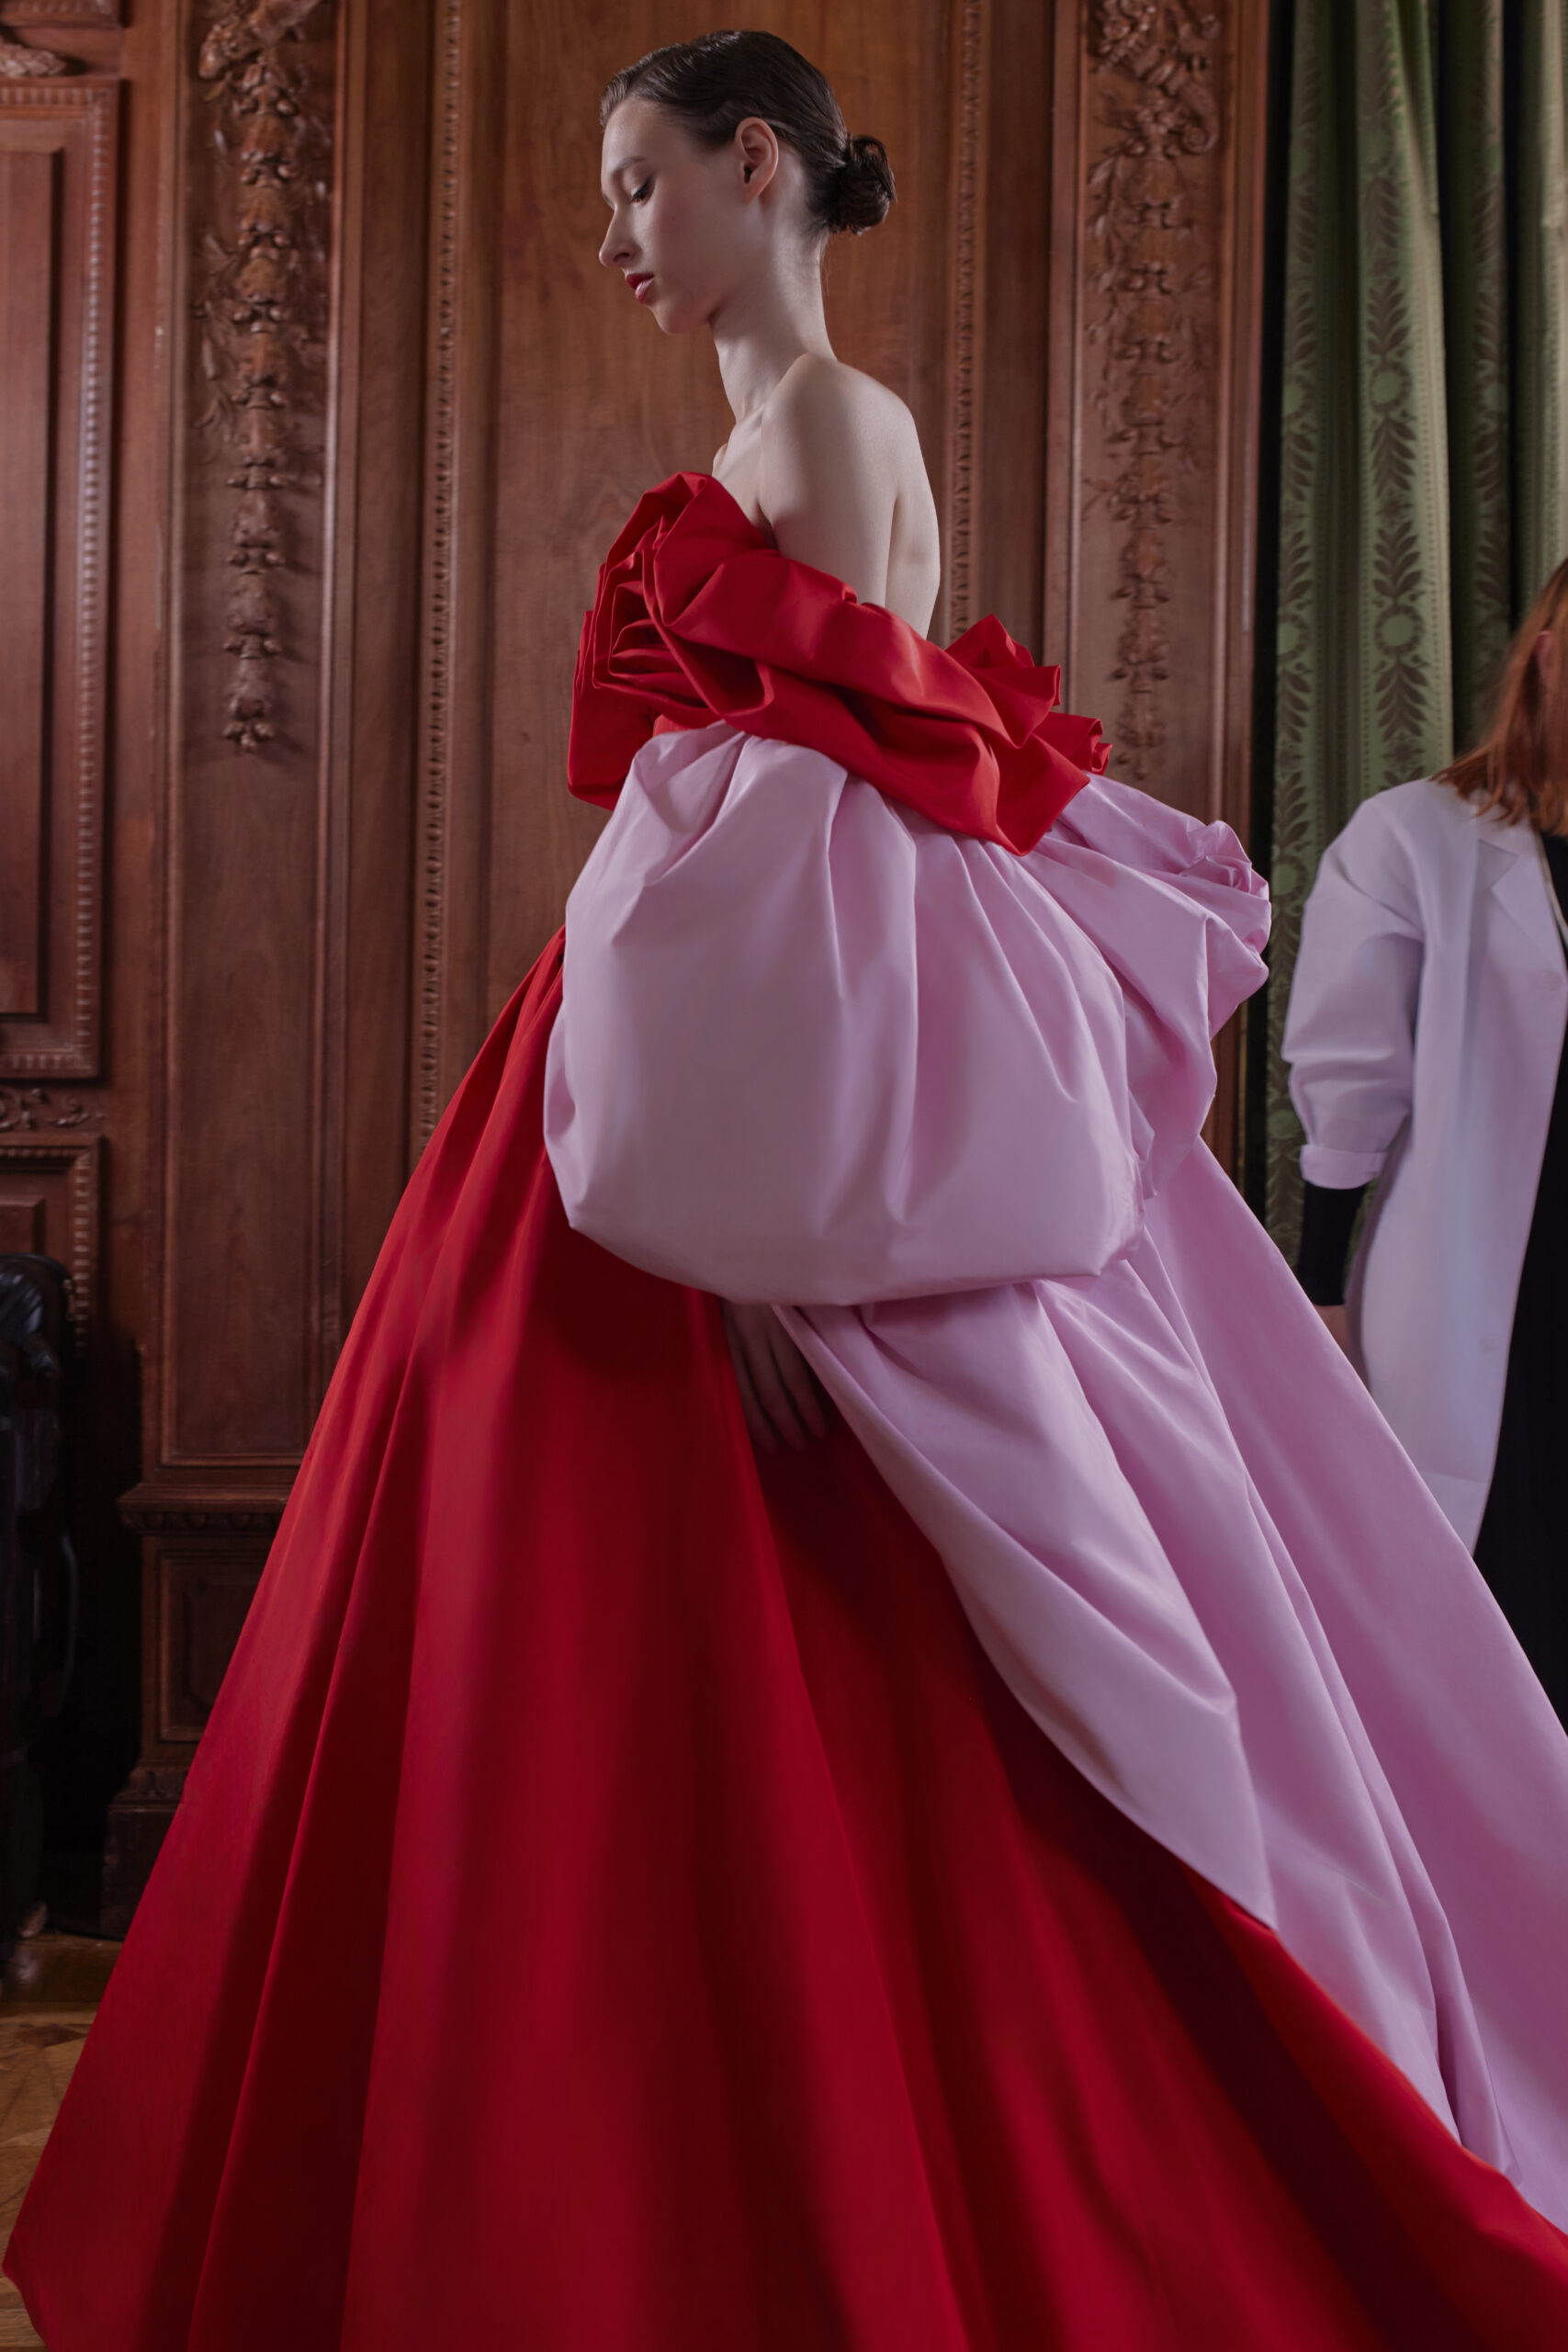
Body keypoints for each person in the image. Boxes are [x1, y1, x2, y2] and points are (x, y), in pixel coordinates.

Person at [10, 31, 1568, 2348]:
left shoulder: (829, 427)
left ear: (760, 166)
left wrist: (762, 1243)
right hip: (673, 1070)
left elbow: (836, 847)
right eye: (606, 195)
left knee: (720, 1623)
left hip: (730, 1109)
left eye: (641, 184)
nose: (615, 236)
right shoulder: (791, 431)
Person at [1285, 569, 1568, 1725]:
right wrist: (1320, 1290)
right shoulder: (1415, 838)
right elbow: (1347, 1084)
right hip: (1488, 1287)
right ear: (1546, 656)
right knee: (1501, 1620)